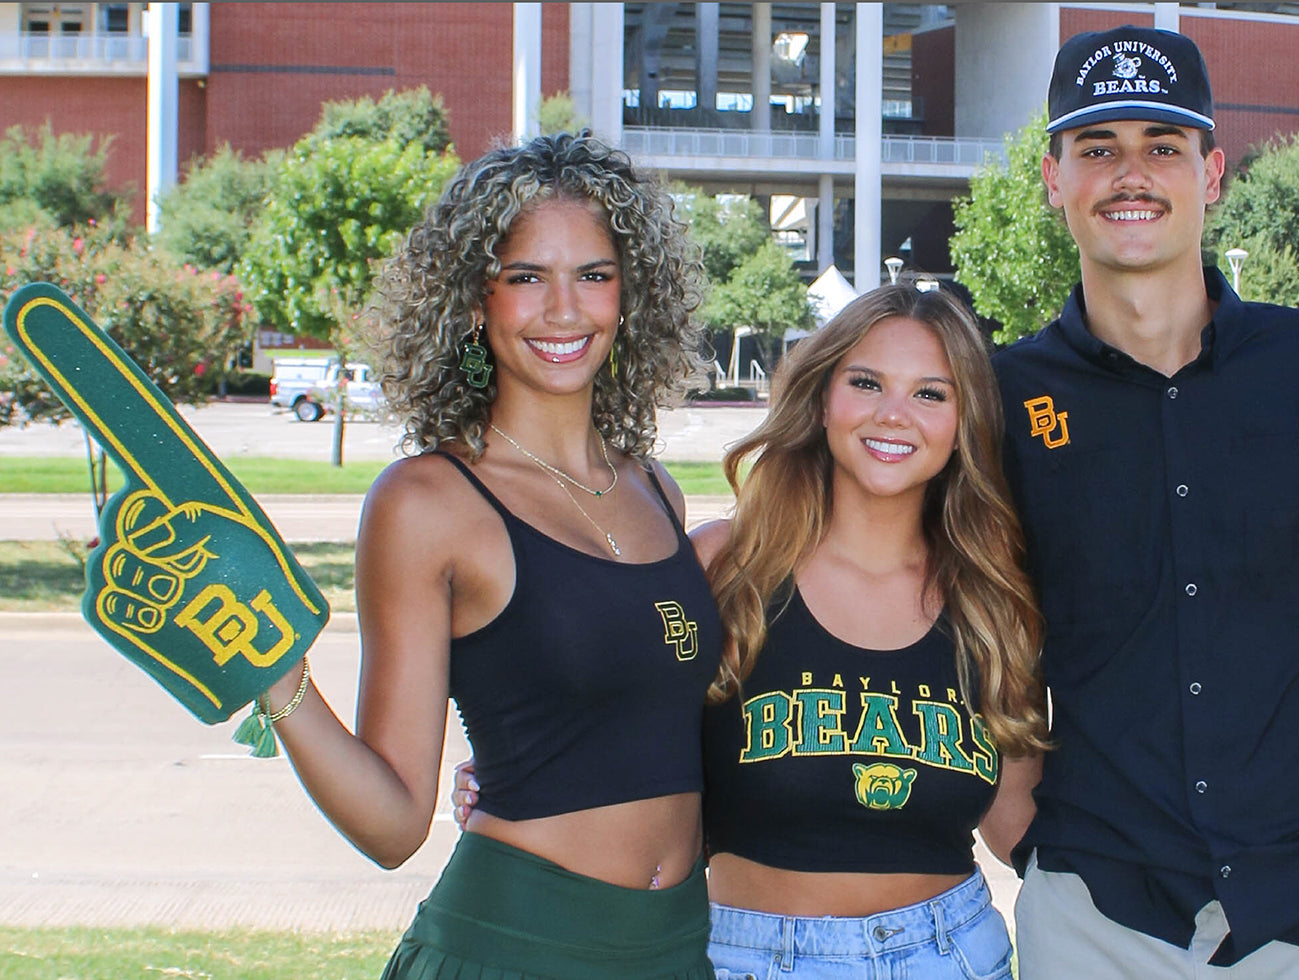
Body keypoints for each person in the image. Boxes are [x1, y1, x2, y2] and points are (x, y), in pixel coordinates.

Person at [453, 283, 1052, 979]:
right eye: (866, 383)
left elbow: (1018, 826)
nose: (895, 415)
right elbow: (621, 730)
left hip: (952, 952)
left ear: (963, 421)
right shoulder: (723, 568)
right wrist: (531, 774)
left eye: (931, 394)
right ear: (823, 398)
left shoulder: (992, 601)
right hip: (745, 954)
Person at [257, 132, 719, 978]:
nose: (564, 311)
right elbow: (395, 826)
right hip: (515, 945)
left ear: (630, 293)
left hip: (677, 951)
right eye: (526, 278)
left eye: (592, 275)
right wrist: (275, 676)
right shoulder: (427, 502)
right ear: (477, 301)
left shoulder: (654, 488)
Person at [988, 25, 1299, 978]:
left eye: (1162, 147)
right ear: (1053, 178)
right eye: (1098, 149)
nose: (1132, 174)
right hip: (1098, 912)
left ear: (1213, 173)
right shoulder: (1000, 395)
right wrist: (1022, 837)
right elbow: (956, 617)